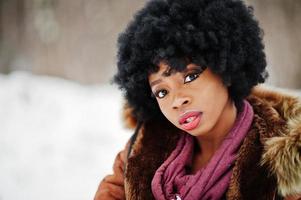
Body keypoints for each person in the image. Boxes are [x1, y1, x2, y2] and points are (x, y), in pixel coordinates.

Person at [94, 0, 301, 199]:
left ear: (226, 69)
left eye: (190, 76)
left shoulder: (288, 170)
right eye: (162, 92)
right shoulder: (138, 154)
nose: (177, 100)